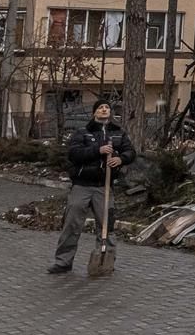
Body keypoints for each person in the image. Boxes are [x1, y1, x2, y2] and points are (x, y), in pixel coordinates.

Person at [49, 98, 135, 274]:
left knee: (106, 225)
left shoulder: (118, 133)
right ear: (94, 112)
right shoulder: (83, 132)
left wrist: (121, 159)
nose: (104, 110)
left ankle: (106, 261)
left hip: (104, 187)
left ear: (110, 113)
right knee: (72, 224)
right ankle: (63, 262)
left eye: (107, 108)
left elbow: (130, 152)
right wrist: (98, 150)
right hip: (82, 185)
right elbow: (74, 154)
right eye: (100, 108)